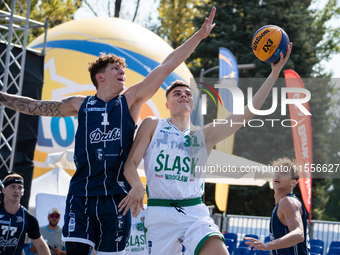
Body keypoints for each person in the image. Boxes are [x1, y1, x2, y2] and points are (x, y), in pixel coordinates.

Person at [0, 7, 216, 255]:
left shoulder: (130, 100)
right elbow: (36, 107)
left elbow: (167, 65)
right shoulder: (79, 104)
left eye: (123, 69)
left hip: (116, 196)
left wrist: (199, 36)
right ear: (99, 76)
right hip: (81, 193)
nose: (122, 71)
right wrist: (2, 97)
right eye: (116, 68)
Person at [118, 43, 293, 255]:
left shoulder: (203, 135)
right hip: (160, 210)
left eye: (187, 94)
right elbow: (130, 164)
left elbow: (247, 114)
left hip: (194, 211)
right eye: (177, 94)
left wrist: (274, 74)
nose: (183, 95)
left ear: (192, 104)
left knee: (219, 251)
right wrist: (136, 186)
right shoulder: (152, 125)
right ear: (167, 104)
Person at [243, 158, 310, 255]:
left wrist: (267, 245)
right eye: (276, 172)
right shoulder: (281, 204)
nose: (277, 175)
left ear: (293, 182)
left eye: (283, 173)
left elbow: (299, 235)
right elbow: (278, 248)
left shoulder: (288, 201)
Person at [0, 173, 50, 255]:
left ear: (23, 192)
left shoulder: (28, 217)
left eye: (20, 188)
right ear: (4, 190)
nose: (16, 191)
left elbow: (40, 245)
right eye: (12, 187)